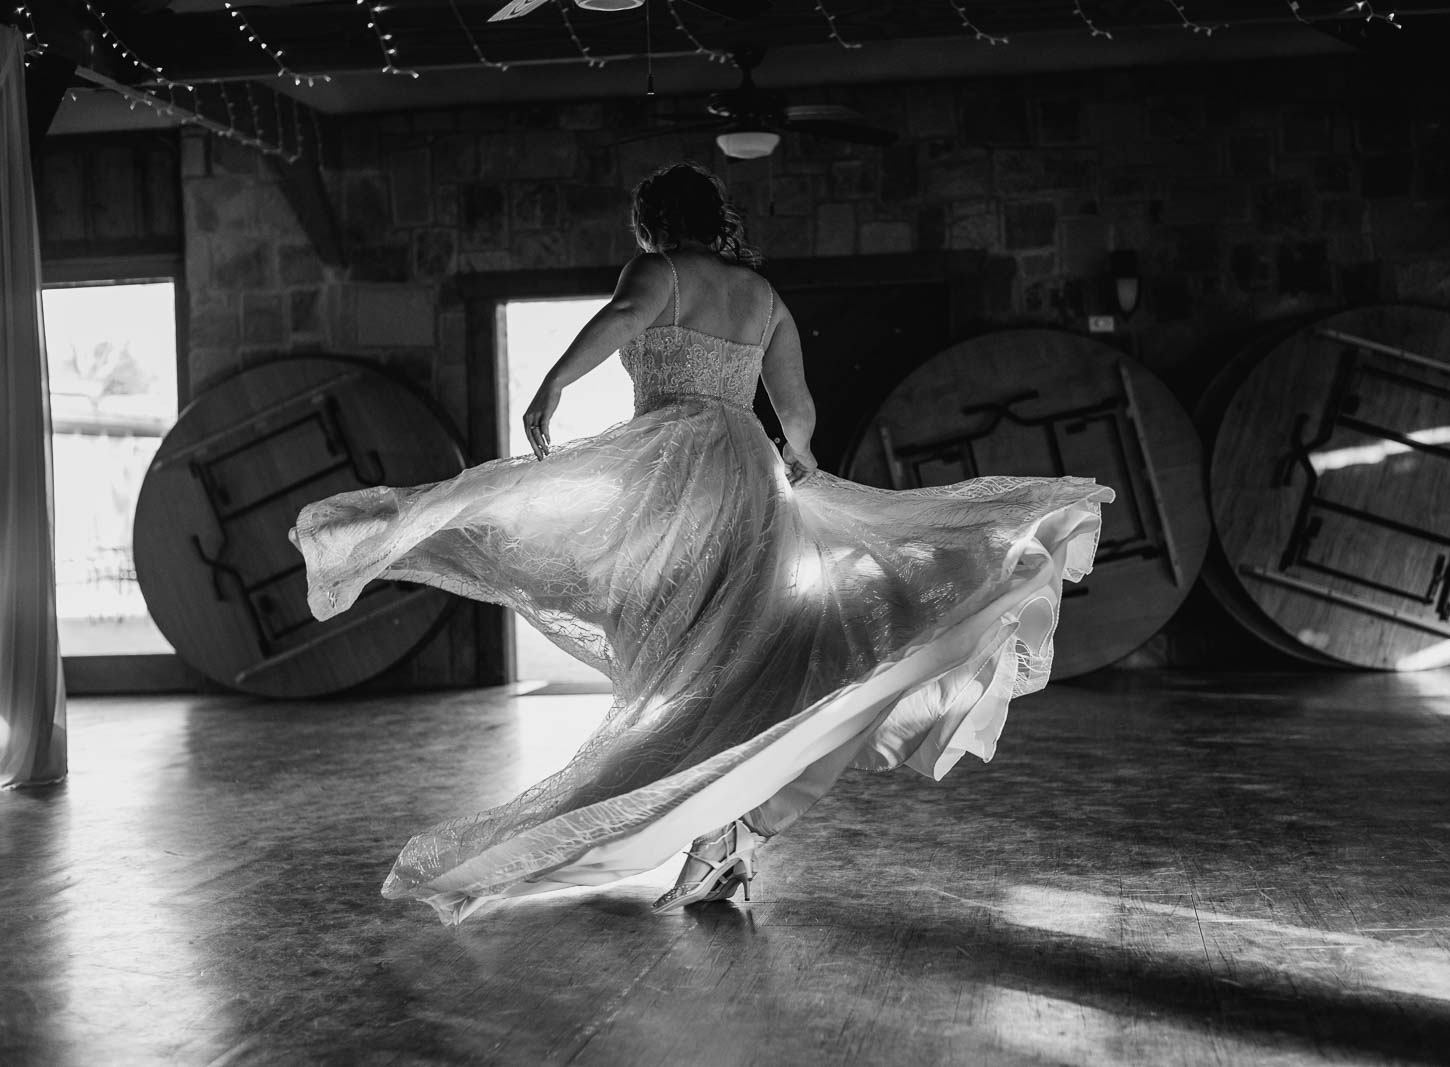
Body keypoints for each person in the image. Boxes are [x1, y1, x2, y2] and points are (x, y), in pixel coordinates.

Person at [291, 161, 1112, 925]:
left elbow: (622, 318)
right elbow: (795, 413)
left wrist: (553, 384)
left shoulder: (659, 272)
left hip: (676, 470)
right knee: (731, 660)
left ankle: (719, 834)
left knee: (680, 657)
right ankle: (726, 838)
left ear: (654, 225)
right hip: (747, 475)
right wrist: (804, 469)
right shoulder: (762, 294)